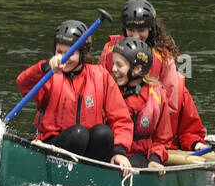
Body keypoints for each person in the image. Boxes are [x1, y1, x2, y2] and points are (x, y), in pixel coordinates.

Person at [15, 19, 133, 162]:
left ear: (83, 54)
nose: (64, 58)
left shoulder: (101, 76)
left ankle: (92, 173)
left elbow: (121, 119)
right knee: (79, 134)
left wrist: (119, 151)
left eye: (70, 53)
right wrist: (45, 67)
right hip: (53, 145)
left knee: (103, 133)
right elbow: (23, 84)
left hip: (89, 150)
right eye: (59, 52)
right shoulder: (49, 75)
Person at [100, 0, 206, 151]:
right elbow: (99, 87)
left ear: (150, 28)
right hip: (116, 117)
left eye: (141, 30)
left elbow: (171, 103)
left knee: (182, 91)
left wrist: (160, 141)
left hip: (150, 120)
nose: (135, 36)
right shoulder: (110, 48)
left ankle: (191, 138)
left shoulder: (163, 56)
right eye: (131, 30)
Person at [108, 37, 172, 171]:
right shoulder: (108, 88)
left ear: (137, 69)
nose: (113, 69)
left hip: (141, 156)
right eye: (113, 64)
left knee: (138, 162)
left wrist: (155, 159)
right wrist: (117, 153)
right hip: (112, 151)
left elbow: (162, 138)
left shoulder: (157, 95)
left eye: (119, 65)